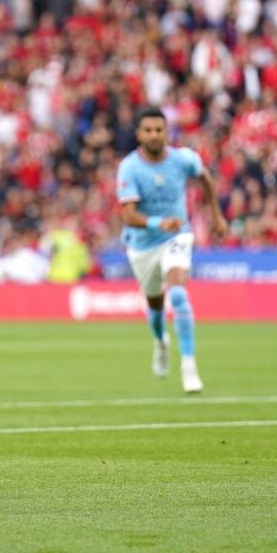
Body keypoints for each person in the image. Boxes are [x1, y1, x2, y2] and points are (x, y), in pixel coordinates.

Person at [116, 107, 228, 393]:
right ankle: (160, 341)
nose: (154, 135)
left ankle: (189, 366)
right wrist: (158, 222)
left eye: (159, 130)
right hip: (142, 246)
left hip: (177, 236)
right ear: (139, 134)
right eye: (148, 130)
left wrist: (216, 215)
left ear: (167, 133)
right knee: (154, 307)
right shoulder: (129, 167)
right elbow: (128, 215)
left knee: (177, 293)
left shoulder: (183, 159)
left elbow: (206, 179)